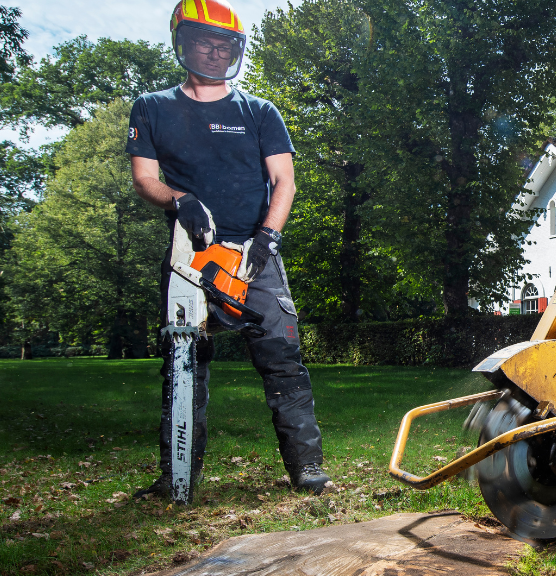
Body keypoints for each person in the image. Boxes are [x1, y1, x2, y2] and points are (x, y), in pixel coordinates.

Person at [126, 0, 330, 497]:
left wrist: (268, 237)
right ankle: (178, 476)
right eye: (205, 43)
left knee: (283, 357)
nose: (215, 53)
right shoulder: (152, 107)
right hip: (190, 251)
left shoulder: (258, 112)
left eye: (225, 46)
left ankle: (307, 468)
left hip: (255, 252)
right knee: (183, 362)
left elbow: (284, 180)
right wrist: (180, 200)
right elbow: (144, 179)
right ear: (182, 44)